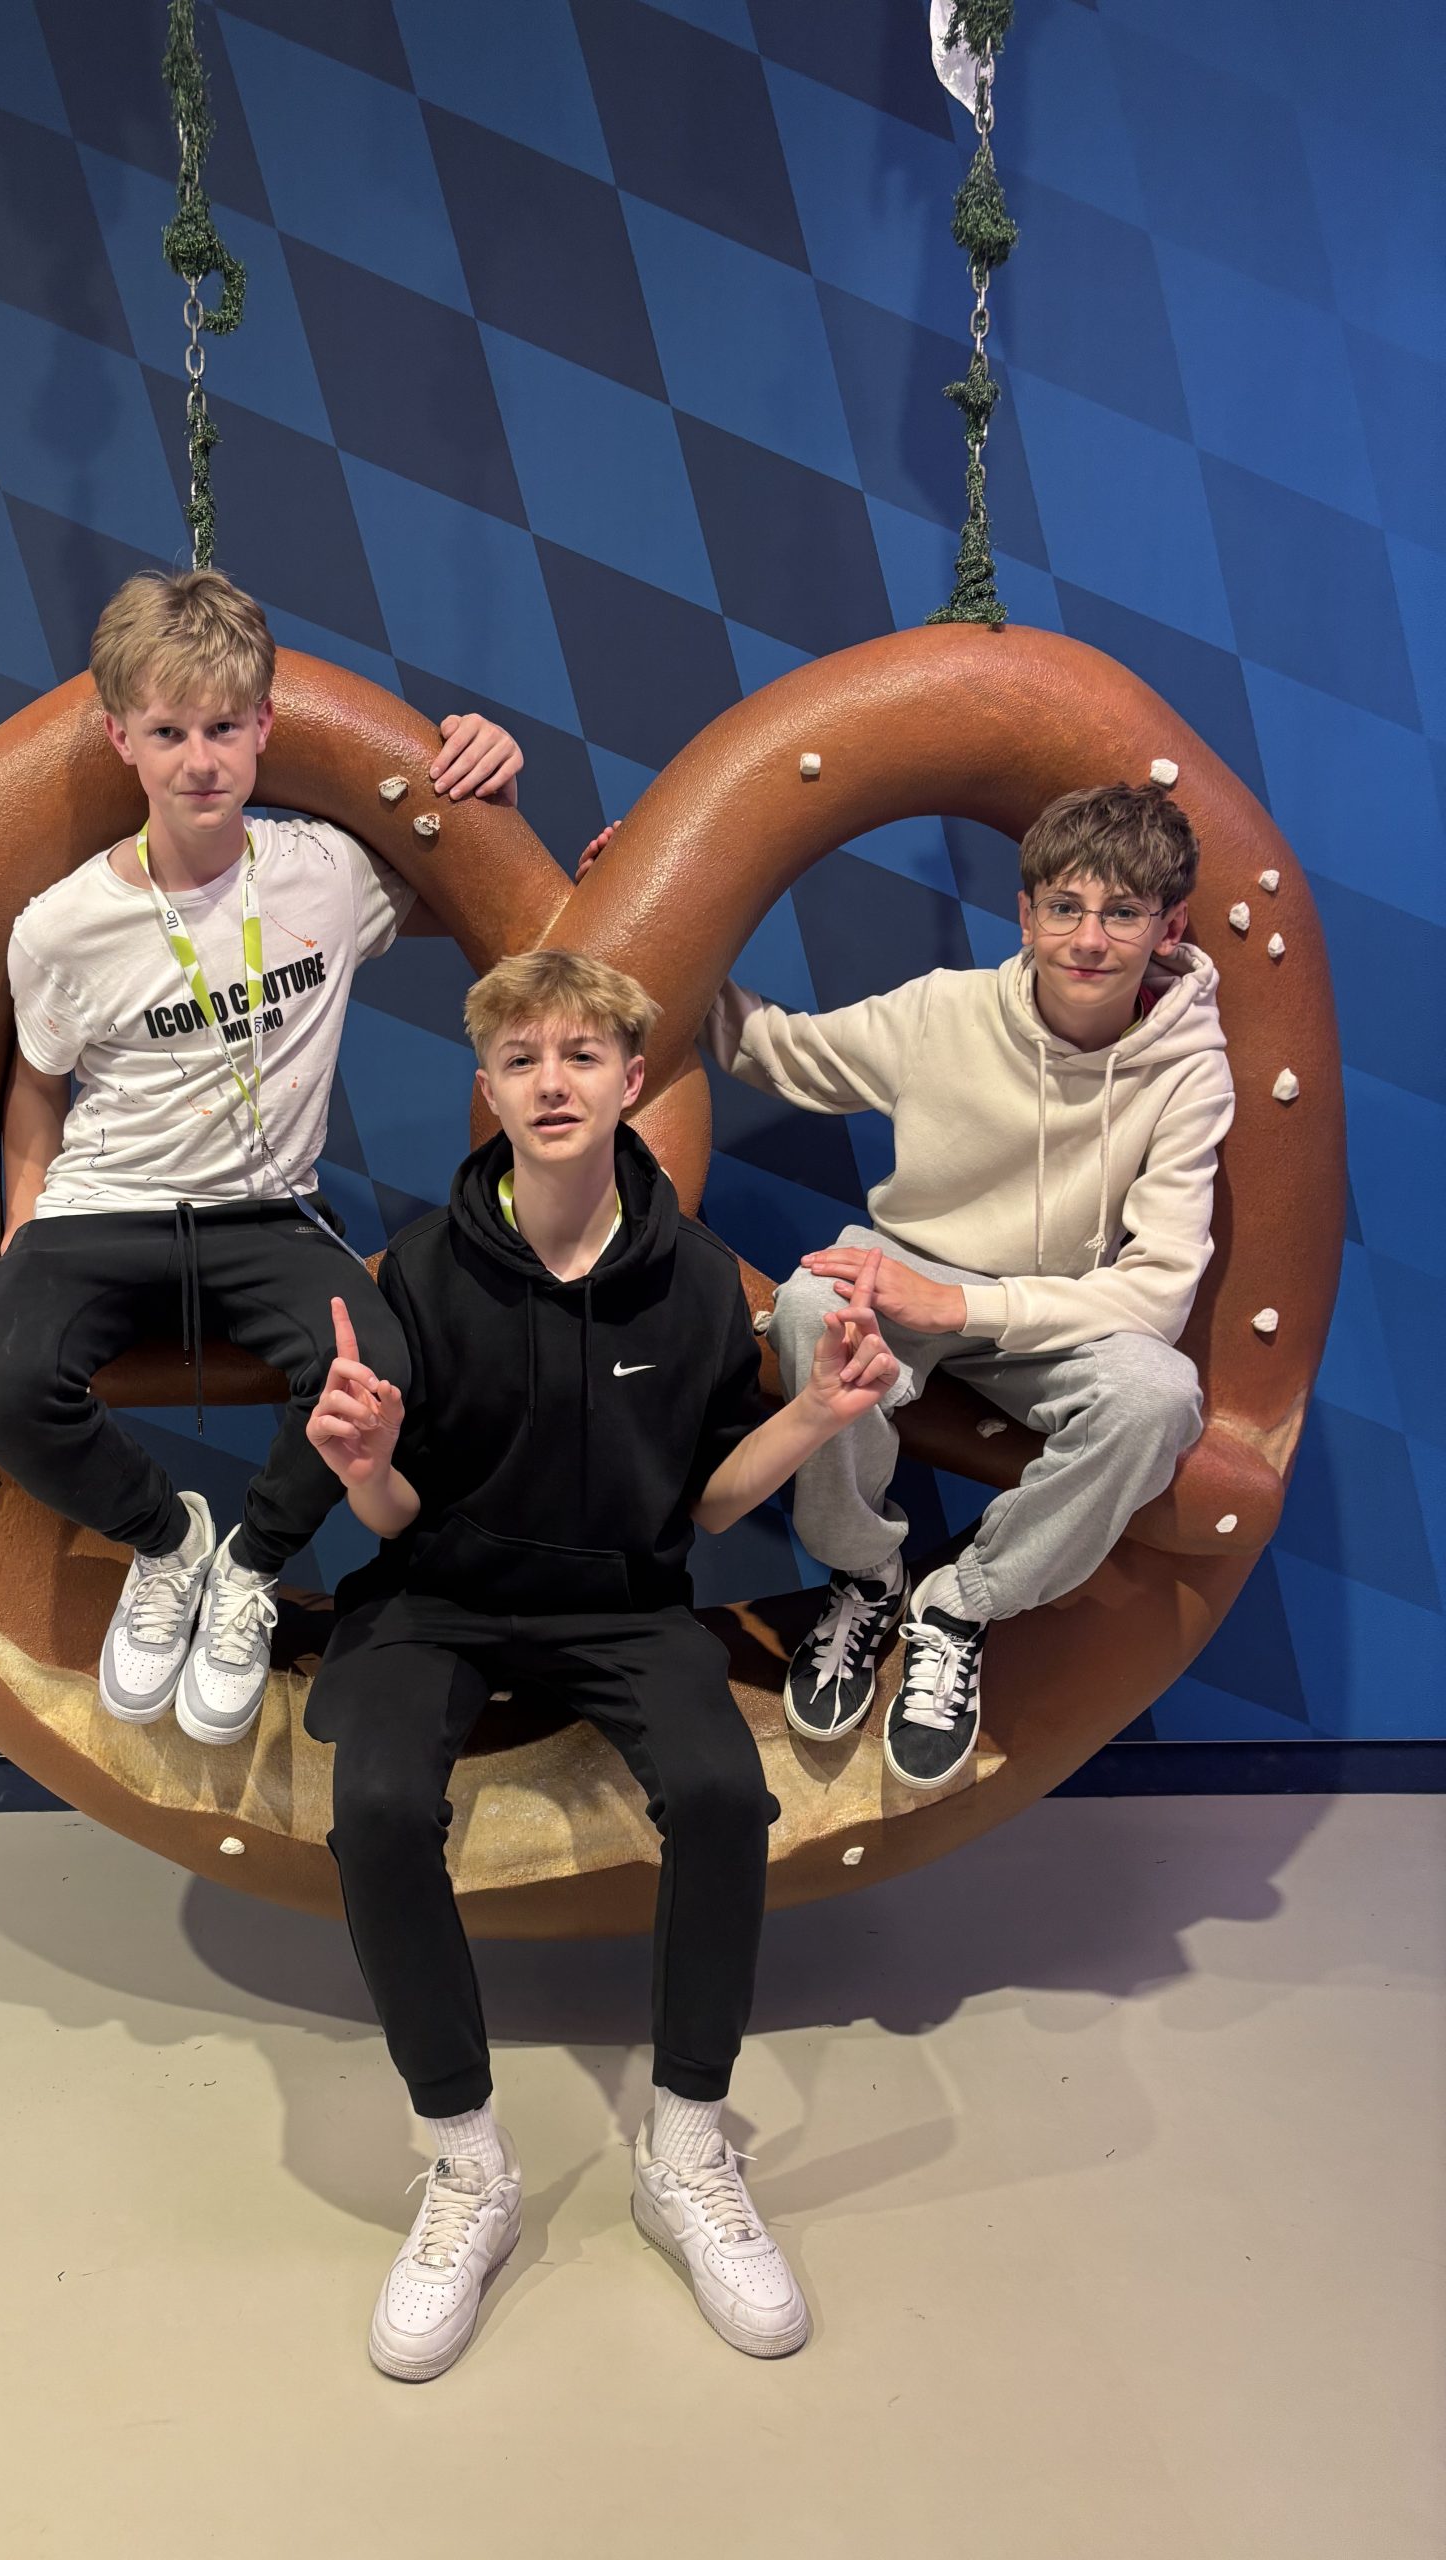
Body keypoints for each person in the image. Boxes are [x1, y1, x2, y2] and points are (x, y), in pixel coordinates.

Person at [302, 948, 899, 2381]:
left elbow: (708, 1505)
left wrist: (816, 1415)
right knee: (374, 1806)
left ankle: (685, 2147)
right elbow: (395, 1516)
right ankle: (466, 2165)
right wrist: (366, 1468)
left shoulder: (691, 1279)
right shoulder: (422, 1269)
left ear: (634, 1080)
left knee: (724, 1796)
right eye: (523, 1060)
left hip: (626, 1606)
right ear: (488, 1090)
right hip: (442, 1594)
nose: (552, 1082)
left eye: (581, 1055)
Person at [0, 568, 524, 1744]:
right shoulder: (61, 926)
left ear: (263, 728)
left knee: (377, 1360)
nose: (198, 761)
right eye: (167, 733)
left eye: (221, 728)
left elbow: (480, 885)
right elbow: (36, 1085)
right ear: (122, 740)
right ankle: (169, 1542)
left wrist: (489, 771)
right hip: (105, 1209)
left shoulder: (327, 872)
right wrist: (23, 1223)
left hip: (266, 1213)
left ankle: (249, 1564)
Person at [701, 780, 1235, 1790]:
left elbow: (1158, 1292)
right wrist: (669, 926)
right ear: (1025, 914)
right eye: (1065, 907)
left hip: (1060, 1313)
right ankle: (866, 1575)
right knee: (813, 1305)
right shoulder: (945, 1008)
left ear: (1170, 928)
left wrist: (967, 1306)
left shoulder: (1190, 1070)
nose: (1089, 939)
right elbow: (776, 1052)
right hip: (914, 1275)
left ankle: (958, 1604)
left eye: (1123, 913)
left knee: (1158, 1395)